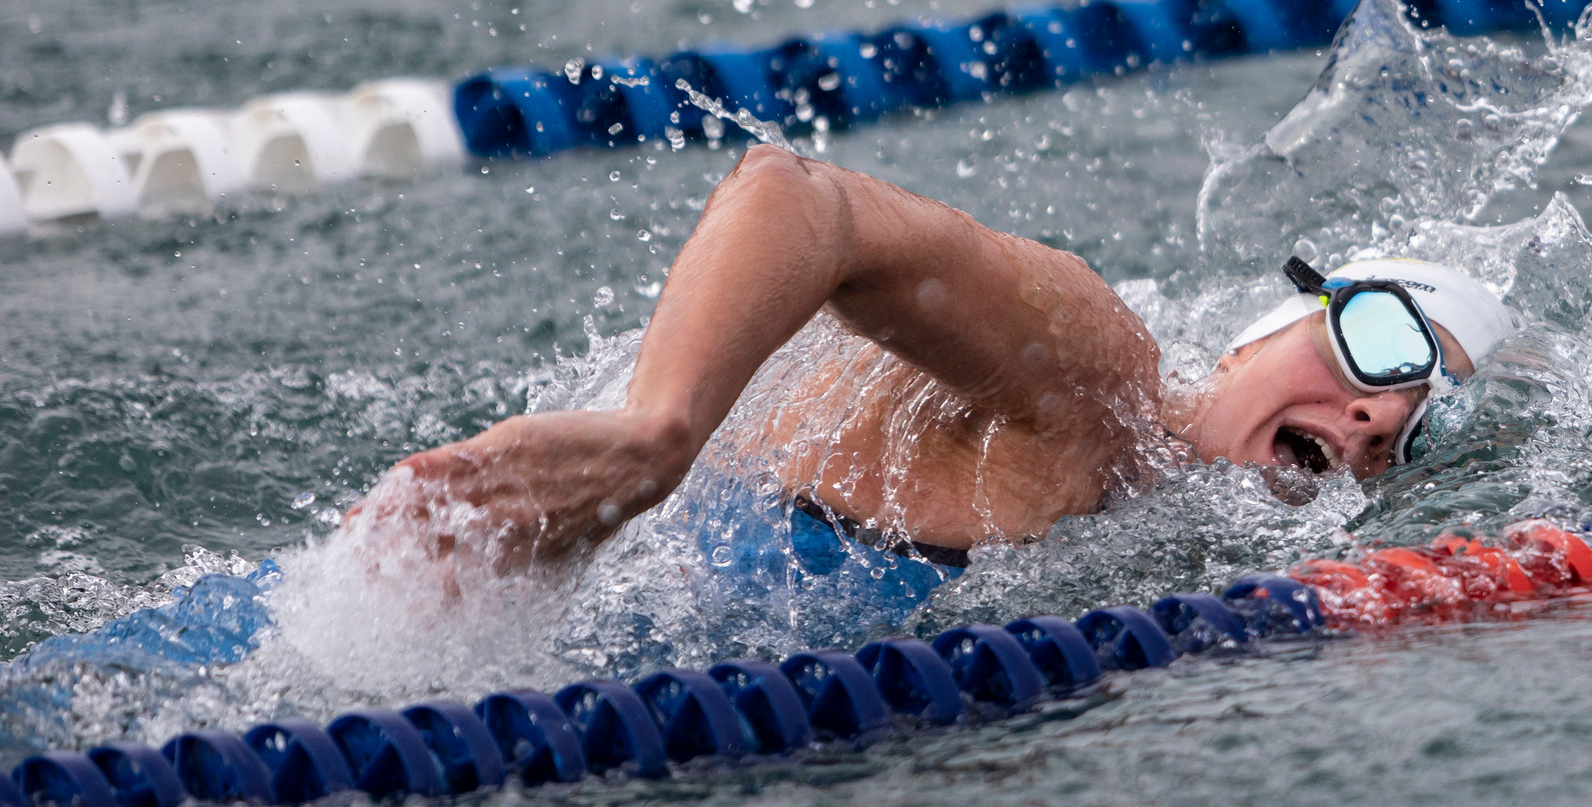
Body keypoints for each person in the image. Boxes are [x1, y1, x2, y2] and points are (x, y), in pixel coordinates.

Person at [364, 145, 1519, 593]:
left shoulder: (1158, 550)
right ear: (1256, 337)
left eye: (1417, 428)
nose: (1378, 416)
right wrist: (657, 433)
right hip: (438, 601)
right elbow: (796, 196)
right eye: (1384, 346)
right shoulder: (1096, 382)